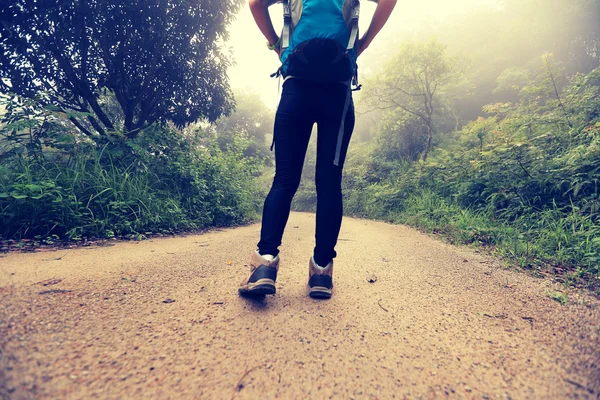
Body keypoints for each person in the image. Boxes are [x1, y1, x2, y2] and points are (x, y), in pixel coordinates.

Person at [239, 0, 397, 299]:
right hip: (337, 93)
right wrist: (360, 45)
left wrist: (277, 46)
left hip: (297, 87)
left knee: (284, 180)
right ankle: (321, 272)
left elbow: (256, 3)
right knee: (329, 184)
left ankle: (265, 265)